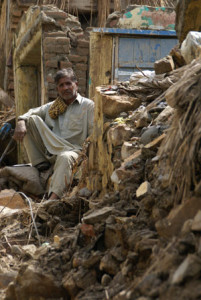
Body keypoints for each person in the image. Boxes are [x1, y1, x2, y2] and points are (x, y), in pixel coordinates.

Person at [13, 68, 94, 200]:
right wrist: (21, 122)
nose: (65, 88)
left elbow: (93, 135)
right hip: (51, 151)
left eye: (68, 83)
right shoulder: (53, 106)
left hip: (73, 151)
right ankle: (40, 164)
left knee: (65, 157)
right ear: (57, 89)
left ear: (76, 85)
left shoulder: (88, 105)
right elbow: (30, 113)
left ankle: (51, 200)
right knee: (30, 120)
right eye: (61, 85)